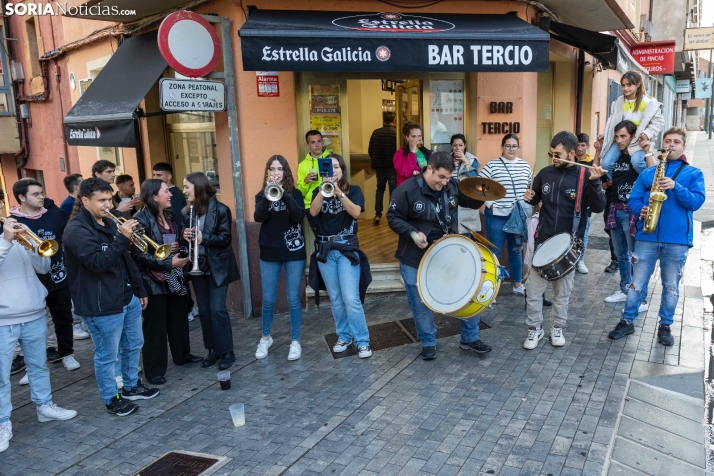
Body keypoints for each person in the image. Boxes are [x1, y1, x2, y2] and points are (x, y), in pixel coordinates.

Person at [64, 178, 158, 416]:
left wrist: (139, 289)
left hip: (126, 296)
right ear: (85, 201)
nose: (108, 205)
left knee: (134, 344)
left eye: (109, 199)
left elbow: (125, 260)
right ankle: (111, 399)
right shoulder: (76, 230)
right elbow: (97, 263)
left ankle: (131, 386)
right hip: (101, 303)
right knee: (107, 355)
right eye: (102, 200)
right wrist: (122, 238)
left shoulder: (108, 221)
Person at [387, 151, 490, 360]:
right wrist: (412, 233)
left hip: (447, 254)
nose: (444, 182)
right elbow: (393, 217)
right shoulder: (406, 190)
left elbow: (470, 201)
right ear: (429, 169)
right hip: (415, 257)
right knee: (420, 303)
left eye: (448, 178)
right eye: (440, 177)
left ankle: (470, 338)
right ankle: (428, 343)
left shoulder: (451, 186)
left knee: (468, 293)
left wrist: (482, 191)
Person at [608, 128, 706, 345]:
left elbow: (695, 202)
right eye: (667, 141)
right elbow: (632, 200)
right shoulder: (648, 173)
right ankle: (627, 321)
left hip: (677, 240)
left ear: (683, 146)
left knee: (671, 286)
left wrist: (676, 186)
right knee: (636, 284)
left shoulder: (694, 173)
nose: (671, 145)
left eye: (676, 142)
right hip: (647, 237)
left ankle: (665, 325)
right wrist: (639, 209)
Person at [523, 131, 606, 350]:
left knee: (562, 294)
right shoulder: (544, 173)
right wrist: (530, 197)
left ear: (572, 152)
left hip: (568, 246)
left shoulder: (583, 175)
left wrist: (596, 184)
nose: (554, 157)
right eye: (551, 153)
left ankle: (557, 327)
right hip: (542, 242)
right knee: (533, 292)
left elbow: (598, 207)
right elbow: (536, 197)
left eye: (558, 154)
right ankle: (534, 329)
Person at [0, 217, 78, 453]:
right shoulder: (6, 236)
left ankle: (44, 407)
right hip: (4, 320)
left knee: (38, 366)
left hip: (34, 312)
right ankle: (3, 422)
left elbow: (43, 268)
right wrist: (6, 240)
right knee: (2, 376)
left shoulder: (18, 233)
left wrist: (33, 245)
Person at [131, 179, 202, 385]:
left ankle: (183, 355)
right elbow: (139, 256)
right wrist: (169, 264)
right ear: (154, 196)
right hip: (154, 280)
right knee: (155, 328)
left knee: (178, 319)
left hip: (175, 275)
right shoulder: (140, 220)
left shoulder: (170, 215)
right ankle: (154, 371)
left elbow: (176, 241)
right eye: (165, 192)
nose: (171, 194)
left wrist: (184, 237)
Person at [9, 179, 80, 372]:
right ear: (22, 197)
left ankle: (67, 353)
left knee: (63, 317)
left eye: (42, 193)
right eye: (35, 194)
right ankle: (33, 363)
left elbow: (65, 239)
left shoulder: (55, 215)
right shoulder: (12, 222)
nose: (42, 197)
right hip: (30, 281)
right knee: (34, 325)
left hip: (57, 275)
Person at [308, 154, 372, 359]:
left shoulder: (354, 190)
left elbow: (355, 213)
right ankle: (344, 336)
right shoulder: (319, 190)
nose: (333, 170)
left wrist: (338, 193)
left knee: (351, 298)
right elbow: (313, 212)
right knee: (335, 298)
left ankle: (362, 341)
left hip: (346, 248)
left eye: (336, 167)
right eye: (329, 167)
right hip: (326, 249)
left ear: (342, 170)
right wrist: (323, 189)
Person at [182, 172, 240, 370]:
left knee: (218, 310)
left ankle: (227, 352)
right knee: (205, 312)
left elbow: (225, 239)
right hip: (197, 267)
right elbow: (186, 242)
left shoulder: (221, 209)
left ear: (198, 187)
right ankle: (212, 349)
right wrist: (185, 236)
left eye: (187, 187)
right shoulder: (186, 212)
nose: (184, 191)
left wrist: (203, 237)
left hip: (217, 267)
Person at [596, 121, 655, 311]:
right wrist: (598, 149)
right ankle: (624, 290)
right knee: (621, 255)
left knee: (635, 257)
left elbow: (654, 176)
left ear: (632, 137)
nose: (619, 140)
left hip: (633, 212)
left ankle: (641, 299)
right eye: (617, 136)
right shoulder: (614, 159)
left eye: (624, 136)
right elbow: (597, 171)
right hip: (615, 208)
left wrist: (647, 151)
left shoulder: (638, 160)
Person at [254, 155, 306, 361]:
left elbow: (298, 216)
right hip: (269, 251)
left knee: (293, 298)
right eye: (272, 169)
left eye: (279, 169)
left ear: (286, 172)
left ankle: (295, 341)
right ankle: (265, 338)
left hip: (294, 252)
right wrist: (268, 197)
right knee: (268, 299)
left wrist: (284, 196)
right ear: (268, 172)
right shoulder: (261, 195)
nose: (276, 173)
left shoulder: (296, 194)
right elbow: (259, 217)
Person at [479, 134, 533, 295]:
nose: (511, 149)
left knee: (516, 250)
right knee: (494, 251)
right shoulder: (492, 165)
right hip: (497, 215)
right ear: (502, 147)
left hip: (517, 215)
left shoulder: (525, 166)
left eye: (514, 146)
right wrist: (491, 204)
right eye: (508, 146)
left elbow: (531, 187)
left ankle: (517, 284)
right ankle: (491, 287)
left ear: (518, 147)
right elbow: (479, 186)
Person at [152, 162, 198, 321]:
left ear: (169, 176)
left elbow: (179, 220)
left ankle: (188, 307)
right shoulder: (149, 217)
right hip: (163, 263)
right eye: (154, 175)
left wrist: (180, 239)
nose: (155, 178)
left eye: (159, 175)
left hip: (173, 257)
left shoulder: (175, 197)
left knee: (179, 283)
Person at [597, 71, 664, 178]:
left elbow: (658, 122)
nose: (625, 88)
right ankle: (615, 184)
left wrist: (647, 133)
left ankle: (648, 182)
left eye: (629, 84)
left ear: (638, 84)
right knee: (605, 164)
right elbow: (612, 120)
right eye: (623, 85)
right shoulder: (619, 101)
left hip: (637, 140)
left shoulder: (648, 102)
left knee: (637, 162)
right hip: (621, 138)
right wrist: (604, 133)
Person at [368, 111, 397, 224]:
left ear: (383, 120)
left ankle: (378, 214)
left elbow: (370, 150)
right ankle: (392, 214)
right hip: (392, 167)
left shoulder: (376, 132)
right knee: (393, 190)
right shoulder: (396, 133)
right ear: (394, 120)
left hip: (379, 166)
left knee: (380, 189)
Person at [450, 134, 481, 235]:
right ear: (451, 146)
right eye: (455, 145)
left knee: (465, 239)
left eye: (461, 145)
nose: (458, 148)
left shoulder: (472, 160)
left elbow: (475, 181)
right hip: (450, 203)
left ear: (465, 145)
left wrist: (465, 162)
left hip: (465, 203)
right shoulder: (446, 159)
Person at [296, 130, 330, 209]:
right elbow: (300, 193)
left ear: (322, 143)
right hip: (310, 204)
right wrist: (305, 182)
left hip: (329, 202)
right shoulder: (302, 165)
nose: (317, 145)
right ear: (308, 145)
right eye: (313, 142)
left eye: (319, 141)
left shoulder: (331, 160)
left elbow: (340, 182)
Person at [574, 133, 592, 274]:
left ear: (587, 146)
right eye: (578, 145)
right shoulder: (570, 159)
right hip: (570, 205)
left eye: (583, 145)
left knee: (583, 234)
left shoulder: (591, 161)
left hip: (585, 205)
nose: (580, 148)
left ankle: (580, 260)